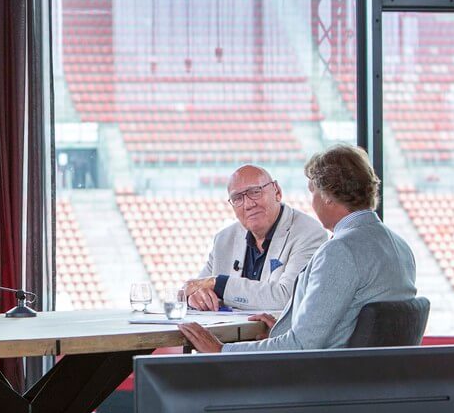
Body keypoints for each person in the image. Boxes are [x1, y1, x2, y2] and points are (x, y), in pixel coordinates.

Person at [178, 144, 417, 354]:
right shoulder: (401, 247)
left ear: (327, 196)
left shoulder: (339, 251)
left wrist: (221, 350)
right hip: (369, 381)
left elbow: (302, 347)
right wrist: (281, 332)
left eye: (312, 191)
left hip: (321, 383)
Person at [183, 164, 327, 312]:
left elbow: (288, 299)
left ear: (277, 191)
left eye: (255, 192)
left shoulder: (309, 233)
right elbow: (196, 288)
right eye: (237, 198)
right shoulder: (224, 239)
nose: (248, 204)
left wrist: (218, 284)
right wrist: (195, 298)